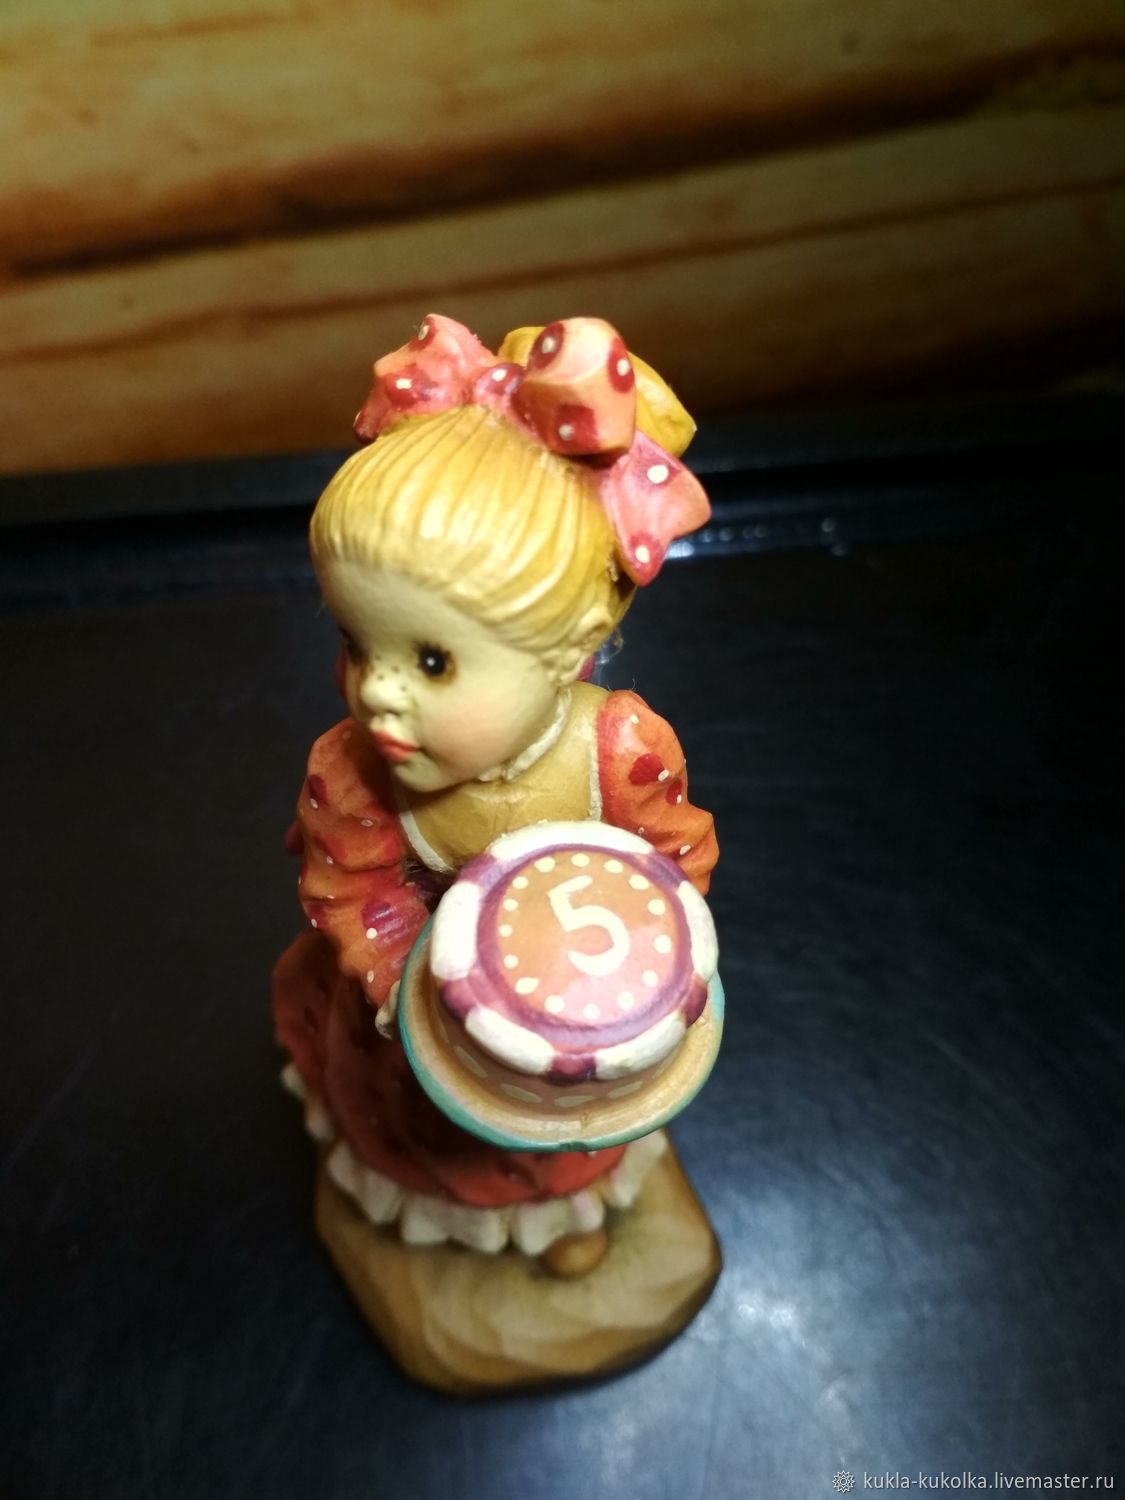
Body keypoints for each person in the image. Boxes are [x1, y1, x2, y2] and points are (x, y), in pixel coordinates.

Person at [272, 313, 718, 1274]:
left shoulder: (621, 751)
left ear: (568, 650)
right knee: (432, 1140)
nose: (378, 692)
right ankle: (456, 1235)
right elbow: (348, 891)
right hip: (422, 1032)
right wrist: (417, 980)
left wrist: (646, 955)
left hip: (575, 1025)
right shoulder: (354, 773)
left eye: (433, 661)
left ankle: (567, 1217)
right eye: (357, 643)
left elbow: (675, 858)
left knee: (566, 1145)